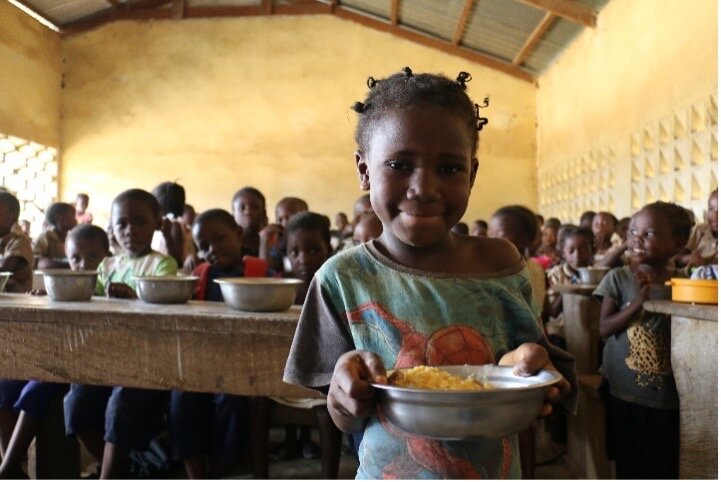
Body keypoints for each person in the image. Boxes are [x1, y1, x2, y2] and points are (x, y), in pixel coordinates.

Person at [282, 67, 575, 479]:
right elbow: (341, 414)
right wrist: (345, 393)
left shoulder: (500, 264)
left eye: (450, 168)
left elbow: (529, 366)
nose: (425, 187)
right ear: (365, 171)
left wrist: (527, 366)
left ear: (472, 173)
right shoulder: (342, 278)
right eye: (400, 164)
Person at [63, 189, 178, 479]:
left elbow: (162, 309)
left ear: (157, 224)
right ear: (111, 227)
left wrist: (134, 297)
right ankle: (119, 468)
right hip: (106, 356)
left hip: (147, 361)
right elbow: (90, 296)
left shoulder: (162, 265)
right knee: (76, 403)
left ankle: (110, 475)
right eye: (122, 224)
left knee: (121, 402)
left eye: (140, 222)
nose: (131, 231)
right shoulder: (108, 265)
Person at [0, 224, 110, 478]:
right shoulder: (67, 285)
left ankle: (8, 467)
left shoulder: (107, 286)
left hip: (84, 367)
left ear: (108, 256)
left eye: (93, 257)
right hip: (60, 361)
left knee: (38, 387)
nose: (83, 265)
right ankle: (13, 464)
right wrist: (46, 296)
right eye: (76, 259)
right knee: (5, 385)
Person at [594, 201, 691, 479]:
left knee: (664, 463)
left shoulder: (685, 283)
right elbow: (603, 329)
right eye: (633, 232)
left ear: (678, 243)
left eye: (648, 234)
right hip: (624, 392)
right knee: (628, 462)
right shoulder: (618, 278)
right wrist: (638, 303)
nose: (637, 240)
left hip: (669, 394)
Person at [170, 209, 258, 478]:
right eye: (204, 245)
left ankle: (221, 468)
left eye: (220, 239)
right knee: (181, 398)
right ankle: (195, 472)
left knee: (231, 400)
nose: (213, 249)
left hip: (244, 361)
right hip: (200, 360)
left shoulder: (260, 271)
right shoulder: (200, 274)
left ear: (238, 234)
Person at [266, 212, 342, 477]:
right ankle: (286, 446)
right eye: (294, 252)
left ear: (329, 249)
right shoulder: (284, 287)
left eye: (313, 249)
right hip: (282, 374)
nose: (303, 259)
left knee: (323, 407)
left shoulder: (335, 284)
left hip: (323, 378)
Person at [488, 205, 547, 318]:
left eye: (499, 236)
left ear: (523, 240)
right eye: (490, 234)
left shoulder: (530, 270)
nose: (490, 241)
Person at [544, 226, 594, 347]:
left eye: (582, 249)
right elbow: (553, 313)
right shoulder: (556, 274)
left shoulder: (595, 272)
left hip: (591, 323)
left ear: (591, 250)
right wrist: (568, 289)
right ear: (563, 254)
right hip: (562, 326)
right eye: (571, 251)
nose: (577, 255)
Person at [151, 181, 195, 269]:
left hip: (175, 276)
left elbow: (177, 262)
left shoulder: (174, 225)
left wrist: (167, 236)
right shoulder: (163, 225)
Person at [259, 197, 308, 273]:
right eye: (280, 219)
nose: (284, 223)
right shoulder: (277, 243)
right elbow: (266, 269)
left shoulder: (309, 238)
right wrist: (264, 242)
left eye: (290, 218)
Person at [0, 191, 32, 293]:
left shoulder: (20, 241)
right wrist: (14, 274)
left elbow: (5, 268)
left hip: (17, 304)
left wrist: (8, 271)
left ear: (13, 219)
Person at [677, 188, 717, 269]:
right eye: (711, 209)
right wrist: (689, 258)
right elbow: (677, 258)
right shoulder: (700, 229)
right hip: (693, 279)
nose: (715, 215)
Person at [33, 202, 77, 269]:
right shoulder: (46, 236)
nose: (75, 220)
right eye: (73, 216)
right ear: (60, 219)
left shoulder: (71, 238)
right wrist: (67, 265)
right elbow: (36, 261)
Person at [232, 187, 267, 257]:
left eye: (255, 207)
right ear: (233, 214)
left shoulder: (273, 241)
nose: (248, 212)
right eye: (242, 208)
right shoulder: (228, 245)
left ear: (264, 212)